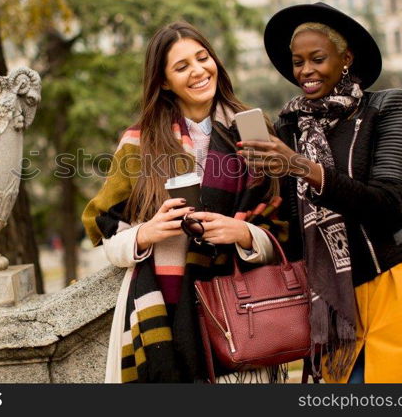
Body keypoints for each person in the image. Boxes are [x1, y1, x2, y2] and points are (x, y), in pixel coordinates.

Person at [238, 3, 402, 383]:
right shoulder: (291, 127)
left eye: (317, 58)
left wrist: (301, 166)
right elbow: (295, 230)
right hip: (335, 303)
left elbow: (386, 202)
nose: (305, 71)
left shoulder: (387, 106)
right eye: (297, 62)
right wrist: (264, 185)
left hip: (401, 283)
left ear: (346, 57)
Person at [82, 21, 284, 383]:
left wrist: (243, 233)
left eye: (202, 58)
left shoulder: (254, 131)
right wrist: (146, 234)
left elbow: (284, 229)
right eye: (181, 67)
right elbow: (104, 229)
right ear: (163, 82)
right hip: (162, 310)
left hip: (242, 310)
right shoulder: (139, 142)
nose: (198, 71)